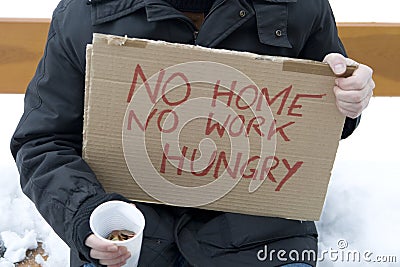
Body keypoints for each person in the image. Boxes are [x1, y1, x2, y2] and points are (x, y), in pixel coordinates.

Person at [10, 0, 374, 266]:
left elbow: (315, 122)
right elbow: (44, 140)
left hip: (263, 245)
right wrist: (84, 212)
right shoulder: (84, 13)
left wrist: (348, 98)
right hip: (131, 242)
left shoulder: (300, 7)